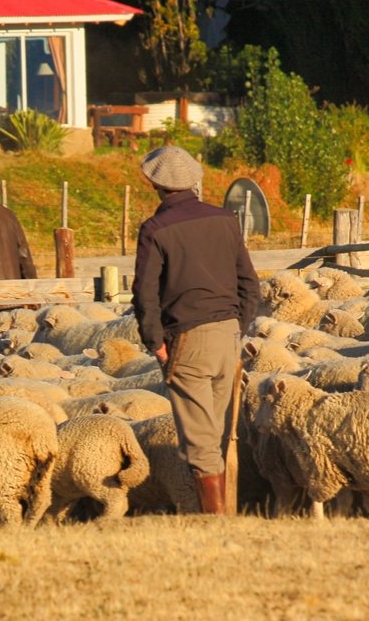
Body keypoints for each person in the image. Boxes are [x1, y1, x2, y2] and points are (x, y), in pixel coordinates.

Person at [131, 146, 260, 515]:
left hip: (187, 339)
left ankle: (214, 522)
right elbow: (250, 284)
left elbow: (145, 294)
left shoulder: (155, 229)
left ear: (154, 182)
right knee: (216, 433)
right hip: (228, 336)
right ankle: (218, 512)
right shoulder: (225, 219)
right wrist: (238, 327)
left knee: (200, 440)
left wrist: (155, 343)